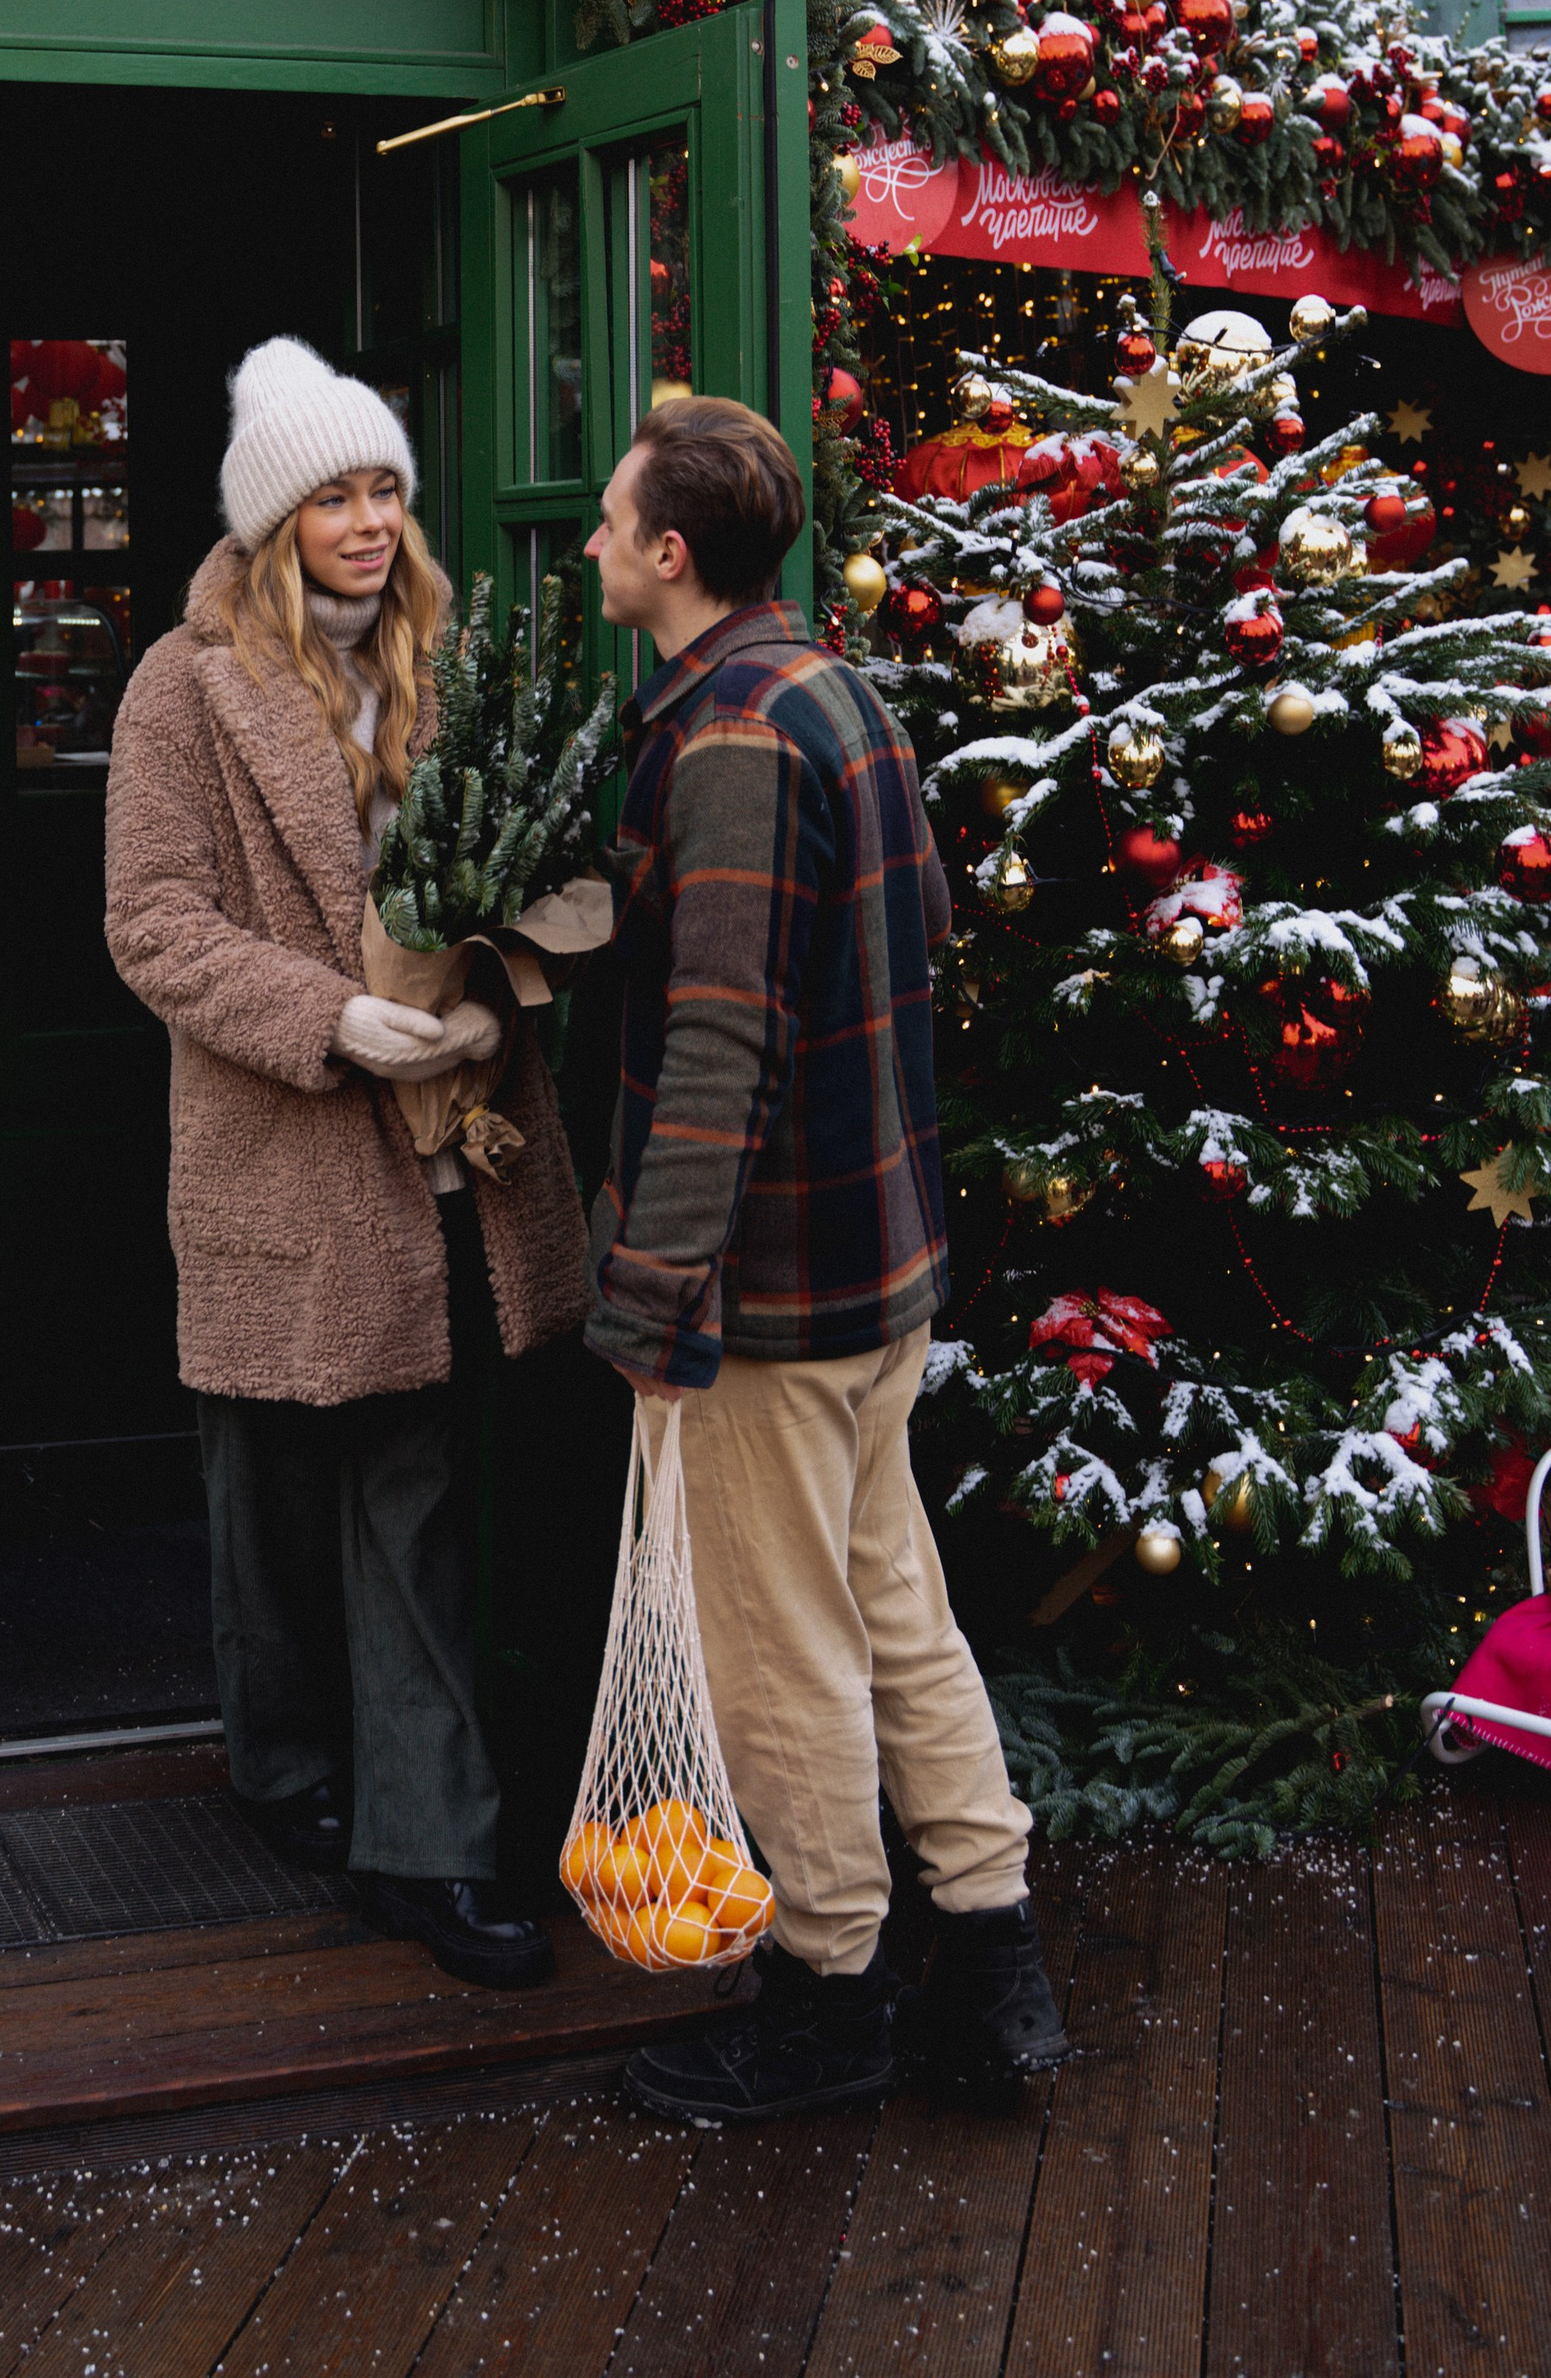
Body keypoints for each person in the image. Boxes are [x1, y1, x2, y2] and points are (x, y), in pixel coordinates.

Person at [582, 393, 1066, 2125]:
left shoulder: (722, 739)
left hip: (768, 1300)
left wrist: (650, 1294)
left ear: (671, 553)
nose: (586, 545)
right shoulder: (839, 692)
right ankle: (996, 1967)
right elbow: (918, 924)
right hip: (884, 1271)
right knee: (898, 1612)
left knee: (783, 1649)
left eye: (609, 520)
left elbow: (717, 1046)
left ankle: (831, 2002)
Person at [106, 337, 588, 1986]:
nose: (373, 520)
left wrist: (487, 1009)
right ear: (272, 521)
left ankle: (428, 1849)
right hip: (289, 1154)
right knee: (269, 1489)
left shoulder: (448, 664)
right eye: (338, 494)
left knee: (415, 1488)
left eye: (388, 487)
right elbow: (153, 924)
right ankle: (286, 1765)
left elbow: (521, 880)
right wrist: (336, 1023)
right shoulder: (184, 687)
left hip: (464, 1149)